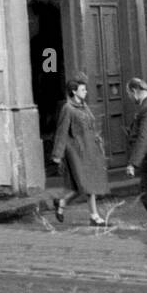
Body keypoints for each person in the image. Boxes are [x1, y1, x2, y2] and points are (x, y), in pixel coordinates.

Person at [52, 73, 109, 226]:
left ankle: (61, 203)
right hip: (76, 152)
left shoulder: (84, 106)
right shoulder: (68, 108)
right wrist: (57, 154)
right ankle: (94, 216)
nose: (86, 92)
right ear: (74, 92)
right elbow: (62, 132)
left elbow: (91, 126)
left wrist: (98, 143)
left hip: (89, 149)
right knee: (87, 184)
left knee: (81, 186)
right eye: (83, 90)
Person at [124, 77, 147, 229]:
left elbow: (145, 137)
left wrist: (132, 163)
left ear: (134, 91)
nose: (129, 98)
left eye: (129, 94)